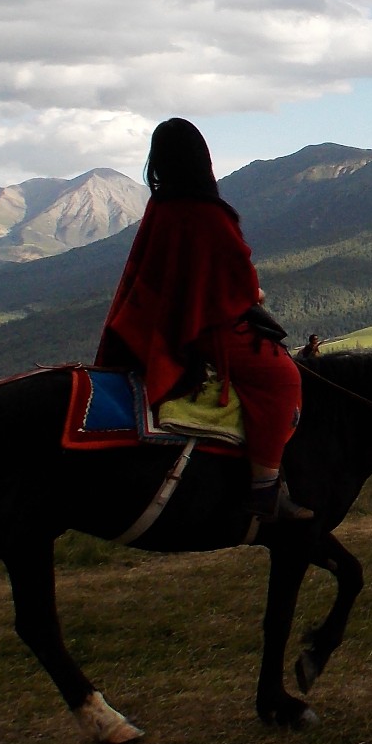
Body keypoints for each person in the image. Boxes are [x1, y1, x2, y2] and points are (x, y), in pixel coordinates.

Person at [96, 117, 310, 523]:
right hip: (203, 325)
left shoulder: (161, 206)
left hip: (158, 324)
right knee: (282, 378)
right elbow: (235, 278)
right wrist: (254, 295)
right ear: (202, 160)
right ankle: (264, 488)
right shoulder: (209, 213)